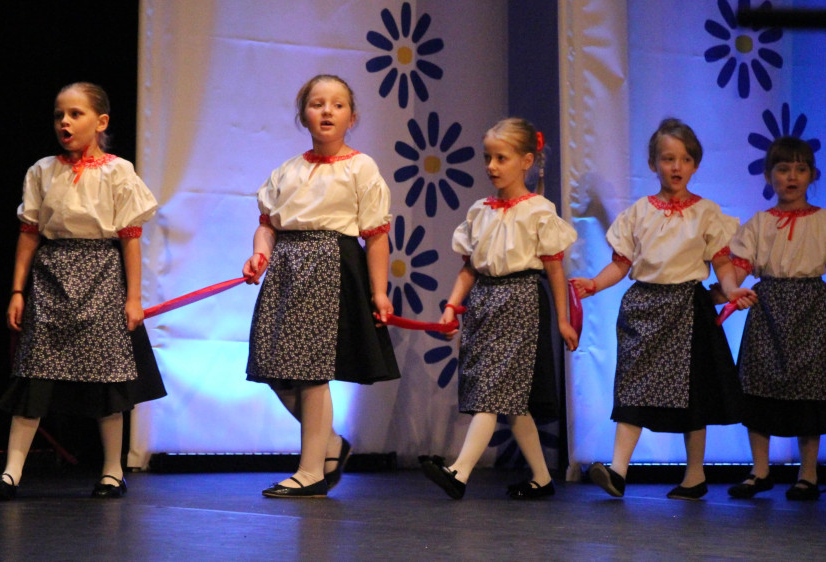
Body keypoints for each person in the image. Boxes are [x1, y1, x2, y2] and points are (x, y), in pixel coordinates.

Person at [0, 82, 166, 500]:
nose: (65, 122)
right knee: (34, 373)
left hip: (101, 274)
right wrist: (17, 290)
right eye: (59, 114)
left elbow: (130, 238)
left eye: (76, 114)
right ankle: (12, 472)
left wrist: (133, 298)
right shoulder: (42, 170)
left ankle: (112, 471)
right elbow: (29, 234)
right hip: (51, 277)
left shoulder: (119, 171)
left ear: (100, 122)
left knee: (108, 379)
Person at [571, 118, 756, 500]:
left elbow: (721, 263)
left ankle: (694, 476)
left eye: (685, 159)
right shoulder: (639, 212)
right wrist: (594, 283)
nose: (676, 167)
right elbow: (621, 264)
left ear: (695, 165)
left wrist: (733, 288)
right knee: (633, 388)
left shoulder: (707, 213)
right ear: (653, 163)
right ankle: (618, 472)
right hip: (645, 309)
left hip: (689, 310)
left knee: (694, 394)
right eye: (668, 158)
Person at [242, 74, 399, 498]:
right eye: (316, 103)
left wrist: (379, 291)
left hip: (332, 268)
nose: (326, 111)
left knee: (313, 373)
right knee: (274, 368)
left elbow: (377, 236)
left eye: (337, 104)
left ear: (352, 117)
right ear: (303, 115)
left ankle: (310, 471)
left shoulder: (360, 167)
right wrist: (261, 253)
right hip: (288, 273)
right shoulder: (288, 171)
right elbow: (267, 228)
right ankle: (329, 444)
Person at [420, 118, 578, 500]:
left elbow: (555, 269)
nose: (491, 166)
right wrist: (451, 306)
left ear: (526, 161)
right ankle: (541, 479)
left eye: (501, 158)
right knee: (509, 398)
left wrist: (562, 319)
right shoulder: (481, 211)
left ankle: (459, 472)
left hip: (520, 302)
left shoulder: (538, 210)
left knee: (492, 392)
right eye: (488, 157)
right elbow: (470, 268)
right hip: (484, 304)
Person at [722, 136, 826, 501]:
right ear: (769, 175)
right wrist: (724, 291)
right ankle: (760, 471)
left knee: (811, 392)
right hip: (769, 307)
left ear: (811, 175)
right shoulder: (759, 222)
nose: (792, 176)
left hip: (811, 311)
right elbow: (738, 269)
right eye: (783, 169)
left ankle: (808, 474)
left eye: (800, 169)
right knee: (758, 389)